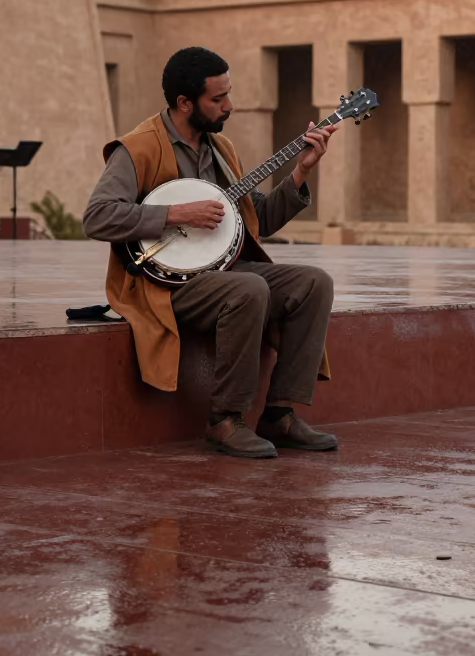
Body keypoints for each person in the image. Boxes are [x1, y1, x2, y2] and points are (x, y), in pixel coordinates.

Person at [83, 46, 338, 459]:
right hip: (162, 284)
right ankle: (224, 420)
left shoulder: (221, 150)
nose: (228, 106)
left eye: (228, 94)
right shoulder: (138, 148)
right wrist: (174, 213)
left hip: (224, 271)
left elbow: (260, 221)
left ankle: (279, 415)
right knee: (249, 288)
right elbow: (97, 217)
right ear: (185, 103)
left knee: (313, 283)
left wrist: (302, 171)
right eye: (217, 99)